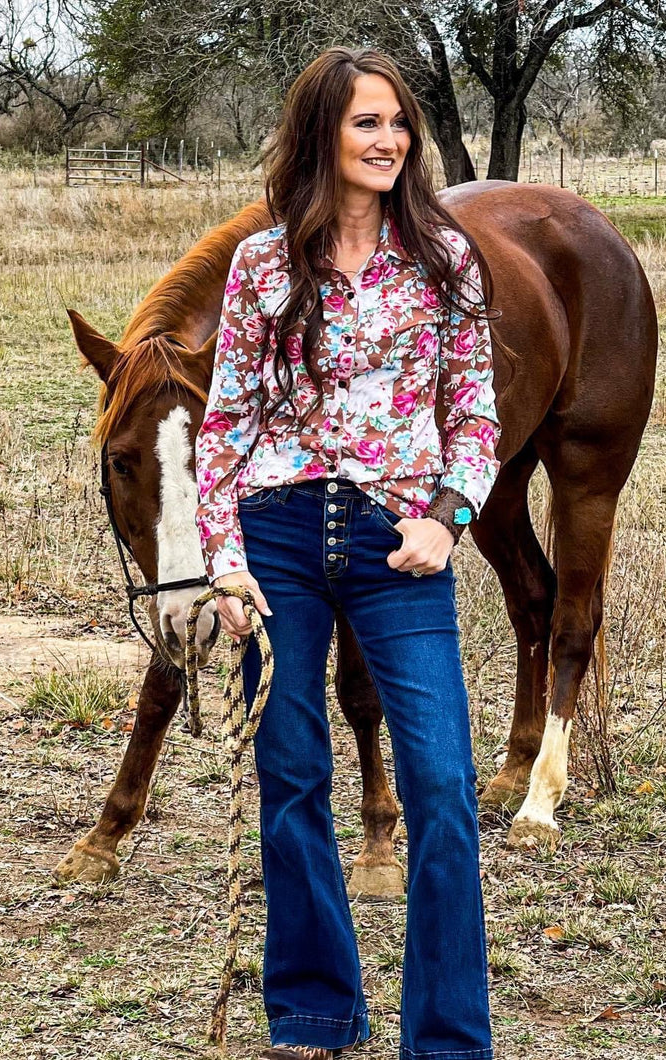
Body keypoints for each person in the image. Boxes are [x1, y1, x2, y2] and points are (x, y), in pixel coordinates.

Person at [194, 45, 501, 1060]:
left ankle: (448, 1039)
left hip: (394, 543)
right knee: (291, 780)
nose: (388, 140)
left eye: (398, 123)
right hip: (277, 539)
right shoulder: (261, 265)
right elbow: (226, 425)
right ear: (324, 132)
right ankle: (316, 1010)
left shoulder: (445, 259)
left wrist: (444, 518)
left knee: (442, 788)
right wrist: (223, 556)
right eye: (366, 122)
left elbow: (475, 414)